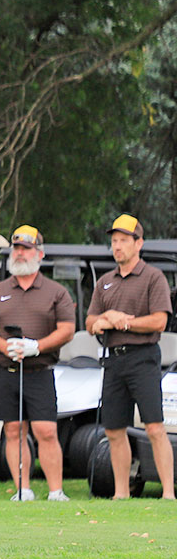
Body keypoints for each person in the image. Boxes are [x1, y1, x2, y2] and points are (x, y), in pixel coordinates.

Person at [0, 226, 75, 501]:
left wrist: (37, 347)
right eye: (16, 249)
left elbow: (67, 329)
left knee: (46, 430)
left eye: (25, 249)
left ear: (39, 254)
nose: (19, 254)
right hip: (4, 370)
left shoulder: (55, 291)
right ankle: (23, 489)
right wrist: (4, 346)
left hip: (39, 370)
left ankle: (56, 491)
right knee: (13, 429)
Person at [86, 214, 175, 500]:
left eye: (124, 241)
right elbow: (90, 322)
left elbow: (159, 322)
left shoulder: (153, 277)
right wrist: (102, 321)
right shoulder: (105, 282)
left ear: (139, 244)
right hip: (113, 360)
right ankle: (121, 494)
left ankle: (169, 494)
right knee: (113, 429)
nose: (118, 246)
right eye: (114, 241)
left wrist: (121, 322)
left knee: (154, 427)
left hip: (143, 357)